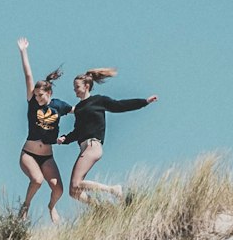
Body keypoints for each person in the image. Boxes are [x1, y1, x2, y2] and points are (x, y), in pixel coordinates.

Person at [58, 69, 158, 203]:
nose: (74, 90)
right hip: (84, 148)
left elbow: (120, 105)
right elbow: (78, 131)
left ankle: (114, 189)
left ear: (86, 86)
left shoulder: (99, 100)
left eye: (77, 87)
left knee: (76, 184)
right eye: (74, 87)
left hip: (93, 146)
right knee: (73, 192)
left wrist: (144, 102)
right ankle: (103, 210)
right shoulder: (79, 108)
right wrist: (65, 138)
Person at [16, 37, 72, 224]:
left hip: (47, 156)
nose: (38, 98)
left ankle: (51, 207)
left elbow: (78, 111)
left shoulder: (59, 106)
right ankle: (25, 206)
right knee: (37, 180)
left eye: (41, 95)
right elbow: (28, 76)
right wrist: (23, 52)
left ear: (50, 94)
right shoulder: (32, 104)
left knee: (58, 189)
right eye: (36, 95)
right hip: (29, 154)